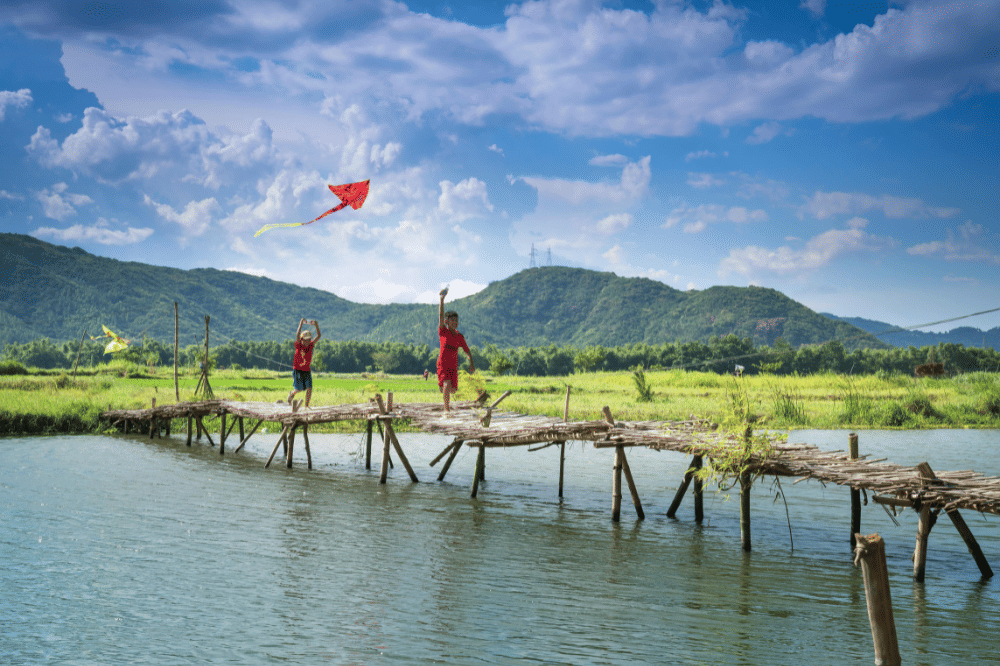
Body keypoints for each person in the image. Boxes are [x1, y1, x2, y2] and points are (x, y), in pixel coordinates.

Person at [437, 288, 475, 413]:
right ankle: (446, 410)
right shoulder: (443, 332)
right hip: (443, 363)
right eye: (452, 320)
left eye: (456, 321)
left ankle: (444, 391)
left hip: (453, 365)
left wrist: (471, 363)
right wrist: (442, 300)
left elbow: (467, 351)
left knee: (453, 389)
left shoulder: (459, 336)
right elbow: (441, 315)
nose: (455, 323)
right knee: (447, 384)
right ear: (447, 322)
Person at [288, 318, 321, 408]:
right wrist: (301, 323)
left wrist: (316, 325)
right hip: (298, 370)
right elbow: (297, 334)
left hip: (306, 370)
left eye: (308, 339)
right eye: (305, 340)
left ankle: (306, 405)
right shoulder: (299, 345)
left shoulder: (310, 345)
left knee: (309, 387)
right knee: (299, 389)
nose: (307, 341)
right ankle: (292, 393)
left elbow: (318, 336)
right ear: (302, 339)